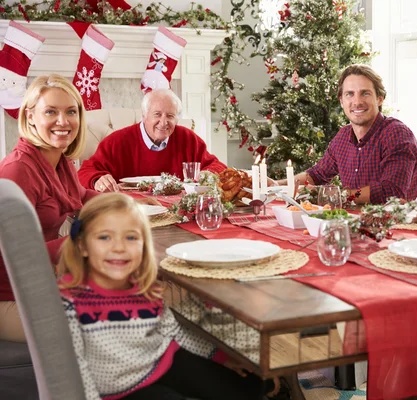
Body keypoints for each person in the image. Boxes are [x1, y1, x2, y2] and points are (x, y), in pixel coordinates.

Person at [57, 193, 283, 400]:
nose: (119, 247)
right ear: (83, 246)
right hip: (121, 391)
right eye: (105, 237)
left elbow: (173, 332)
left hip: (161, 361)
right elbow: (73, 367)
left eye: (131, 238)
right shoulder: (71, 300)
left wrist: (222, 358)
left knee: (253, 382)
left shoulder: (144, 288)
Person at [0, 74, 98, 342]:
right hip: (10, 295)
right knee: (106, 324)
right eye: (51, 111)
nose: (63, 121)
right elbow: (19, 256)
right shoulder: (18, 170)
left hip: (42, 281)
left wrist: (126, 204)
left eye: (71, 111)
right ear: (30, 116)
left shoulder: (59, 161)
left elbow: (81, 196)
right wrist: (82, 241)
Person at [276, 64, 417, 204]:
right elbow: (317, 174)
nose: (357, 102)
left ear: (379, 98)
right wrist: (278, 185)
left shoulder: (397, 134)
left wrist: (336, 194)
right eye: (349, 94)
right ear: (341, 101)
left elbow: (391, 192)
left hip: (393, 224)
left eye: (365, 93)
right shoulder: (343, 136)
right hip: (349, 220)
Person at [77, 89, 226, 192]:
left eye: (170, 116)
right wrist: (97, 180)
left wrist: (207, 175)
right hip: (131, 213)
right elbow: (85, 172)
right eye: (157, 114)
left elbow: (217, 166)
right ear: (144, 115)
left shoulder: (187, 138)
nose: (163, 122)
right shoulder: (117, 141)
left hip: (178, 213)